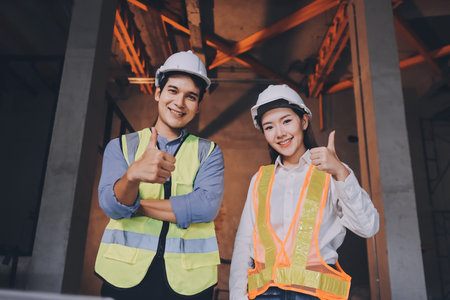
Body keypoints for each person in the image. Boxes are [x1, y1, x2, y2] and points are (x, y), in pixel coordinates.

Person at [95, 50, 225, 300]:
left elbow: (205, 208)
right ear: (157, 92)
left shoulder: (209, 152)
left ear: (198, 106)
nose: (179, 103)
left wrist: (133, 205)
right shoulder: (121, 146)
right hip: (124, 275)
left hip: (189, 282)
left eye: (191, 97)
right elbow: (111, 206)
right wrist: (132, 176)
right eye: (173, 91)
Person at [229, 84, 379, 300]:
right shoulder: (260, 179)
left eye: (286, 121)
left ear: (304, 121)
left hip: (316, 295)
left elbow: (368, 226)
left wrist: (340, 171)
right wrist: (237, 295)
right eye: (269, 127)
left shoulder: (332, 172)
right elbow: (244, 244)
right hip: (265, 295)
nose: (279, 133)